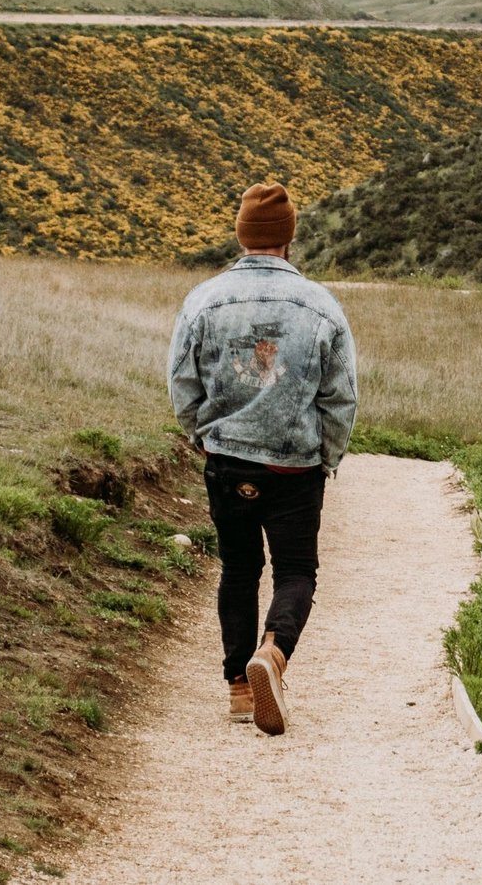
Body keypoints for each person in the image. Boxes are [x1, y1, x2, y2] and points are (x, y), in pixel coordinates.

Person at [167, 182, 357, 735]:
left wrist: (199, 436)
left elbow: (182, 382)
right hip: (294, 466)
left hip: (227, 460)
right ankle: (272, 654)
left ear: (242, 234)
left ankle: (238, 690)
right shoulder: (322, 305)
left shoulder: (204, 299)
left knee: (239, 567)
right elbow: (341, 395)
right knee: (296, 570)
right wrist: (328, 455)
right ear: (289, 238)